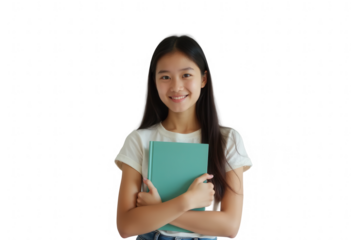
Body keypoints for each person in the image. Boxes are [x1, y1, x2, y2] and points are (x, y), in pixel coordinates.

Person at [115, 33, 253, 240]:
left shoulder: (228, 140)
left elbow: (230, 227)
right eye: (165, 77)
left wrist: (158, 210)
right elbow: (126, 226)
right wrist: (187, 201)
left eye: (186, 75)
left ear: (204, 78)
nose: (176, 86)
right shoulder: (139, 139)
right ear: (154, 82)